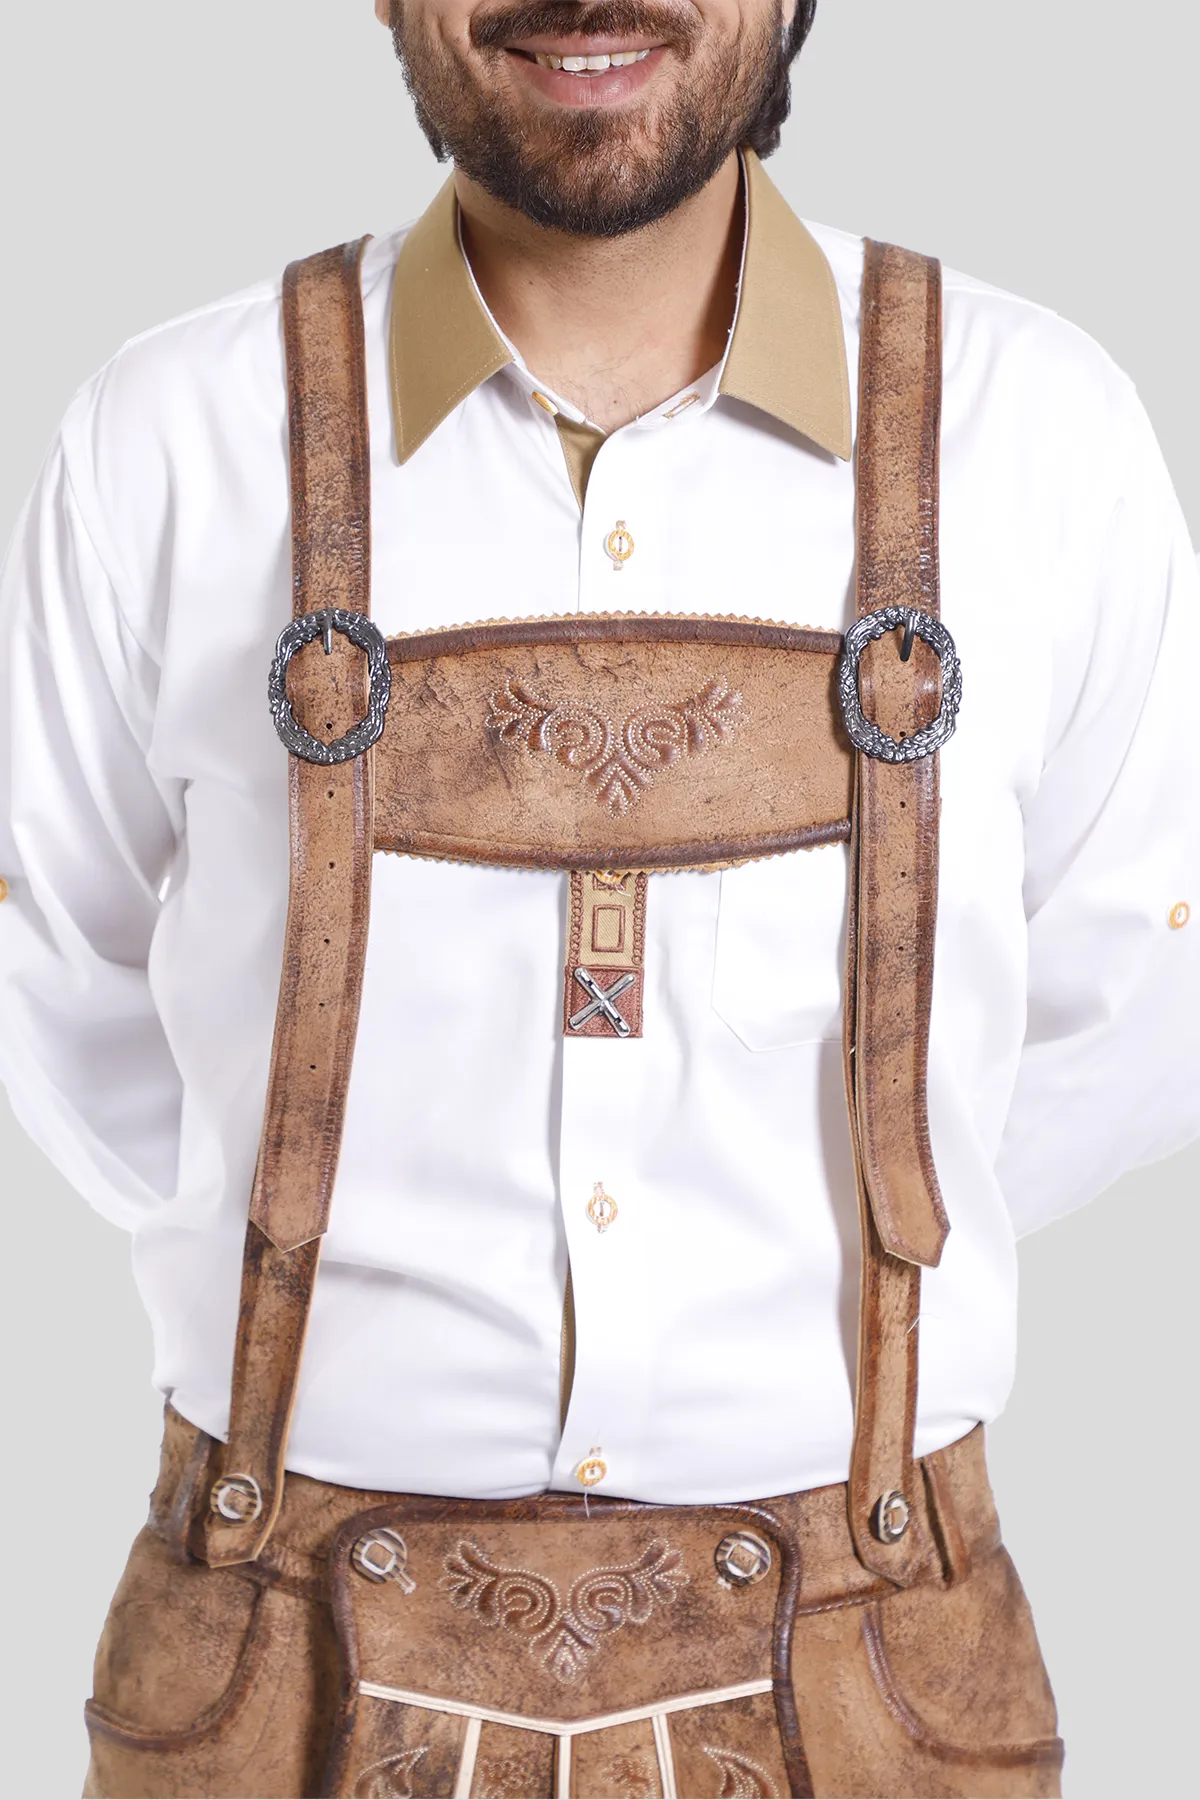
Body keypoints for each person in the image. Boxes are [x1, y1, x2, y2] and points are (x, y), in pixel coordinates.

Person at [1, 2, 1197, 1796]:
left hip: (878, 1680)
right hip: (271, 1664)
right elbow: (56, 982)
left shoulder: (1041, 435)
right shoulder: (164, 440)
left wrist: (854, 1238)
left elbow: (1135, 999)